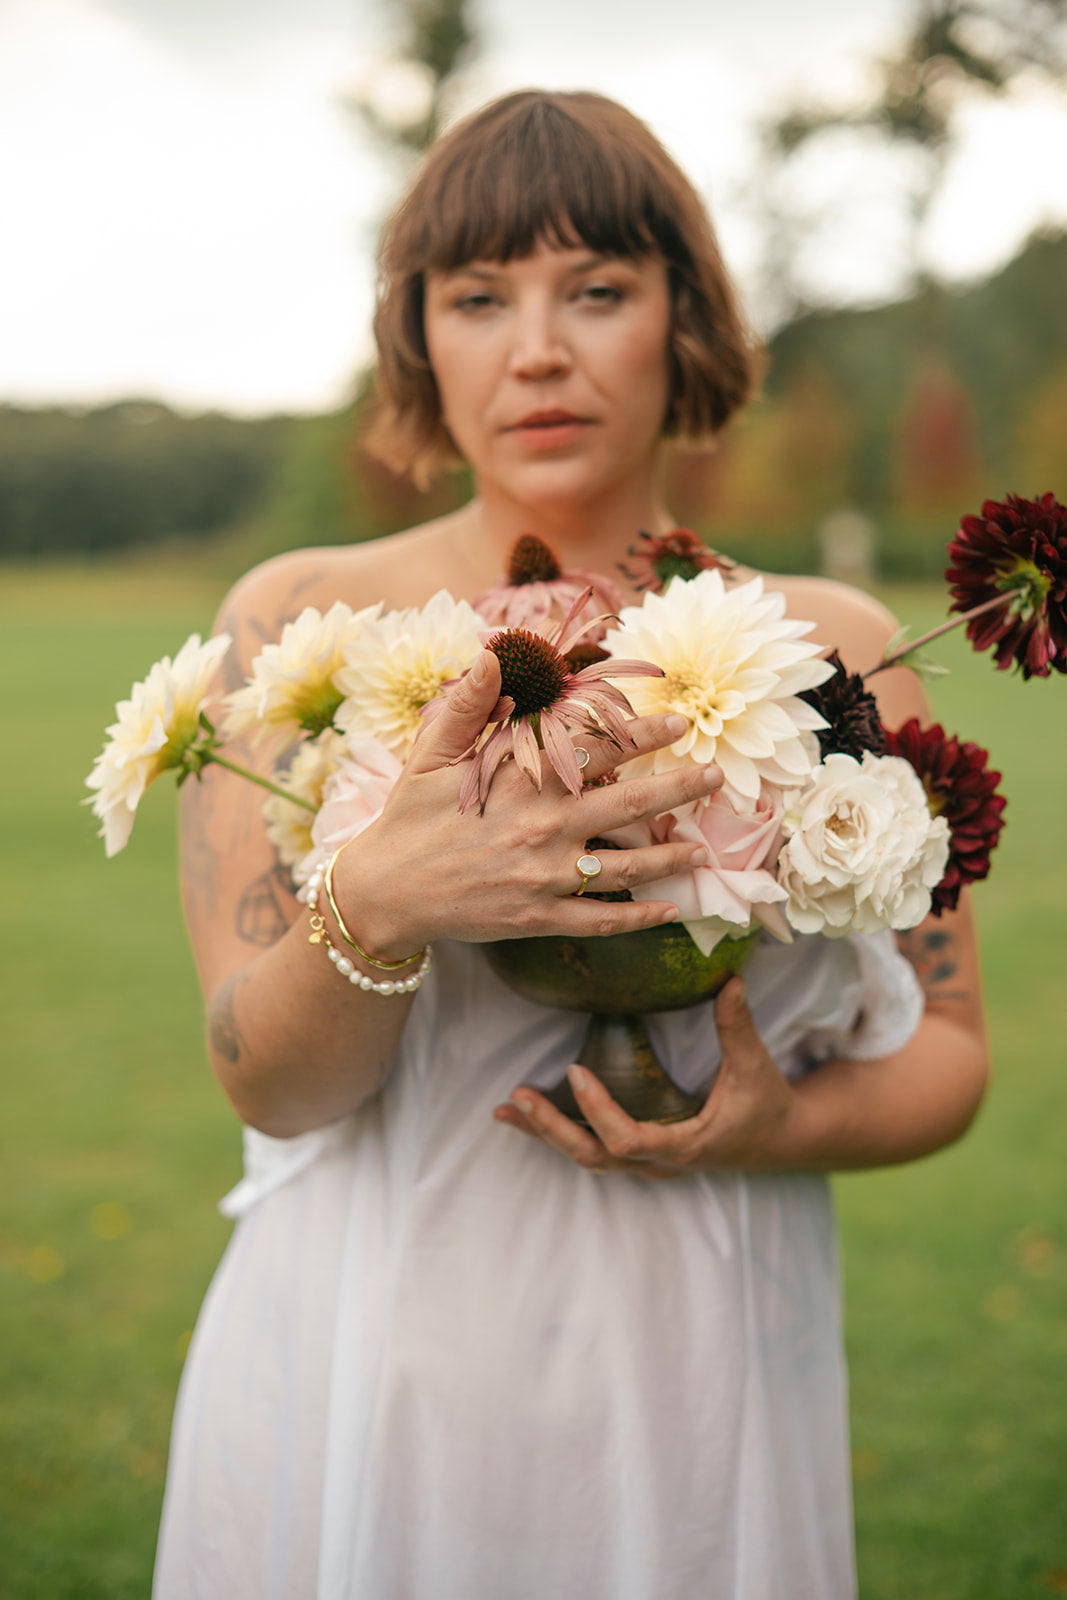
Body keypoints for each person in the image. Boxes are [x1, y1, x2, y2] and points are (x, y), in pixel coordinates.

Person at [154, 90, 989, 1599]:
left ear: (683, 316)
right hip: (376, 1333)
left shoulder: (838, 649)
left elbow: (947, 1047)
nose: (538, 347)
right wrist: (383, 901)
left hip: (708, 1339)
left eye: (598, 290)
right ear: (422, 339)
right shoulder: (298, 628)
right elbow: (262, 1075)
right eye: (479, 298)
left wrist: (780, 1127)